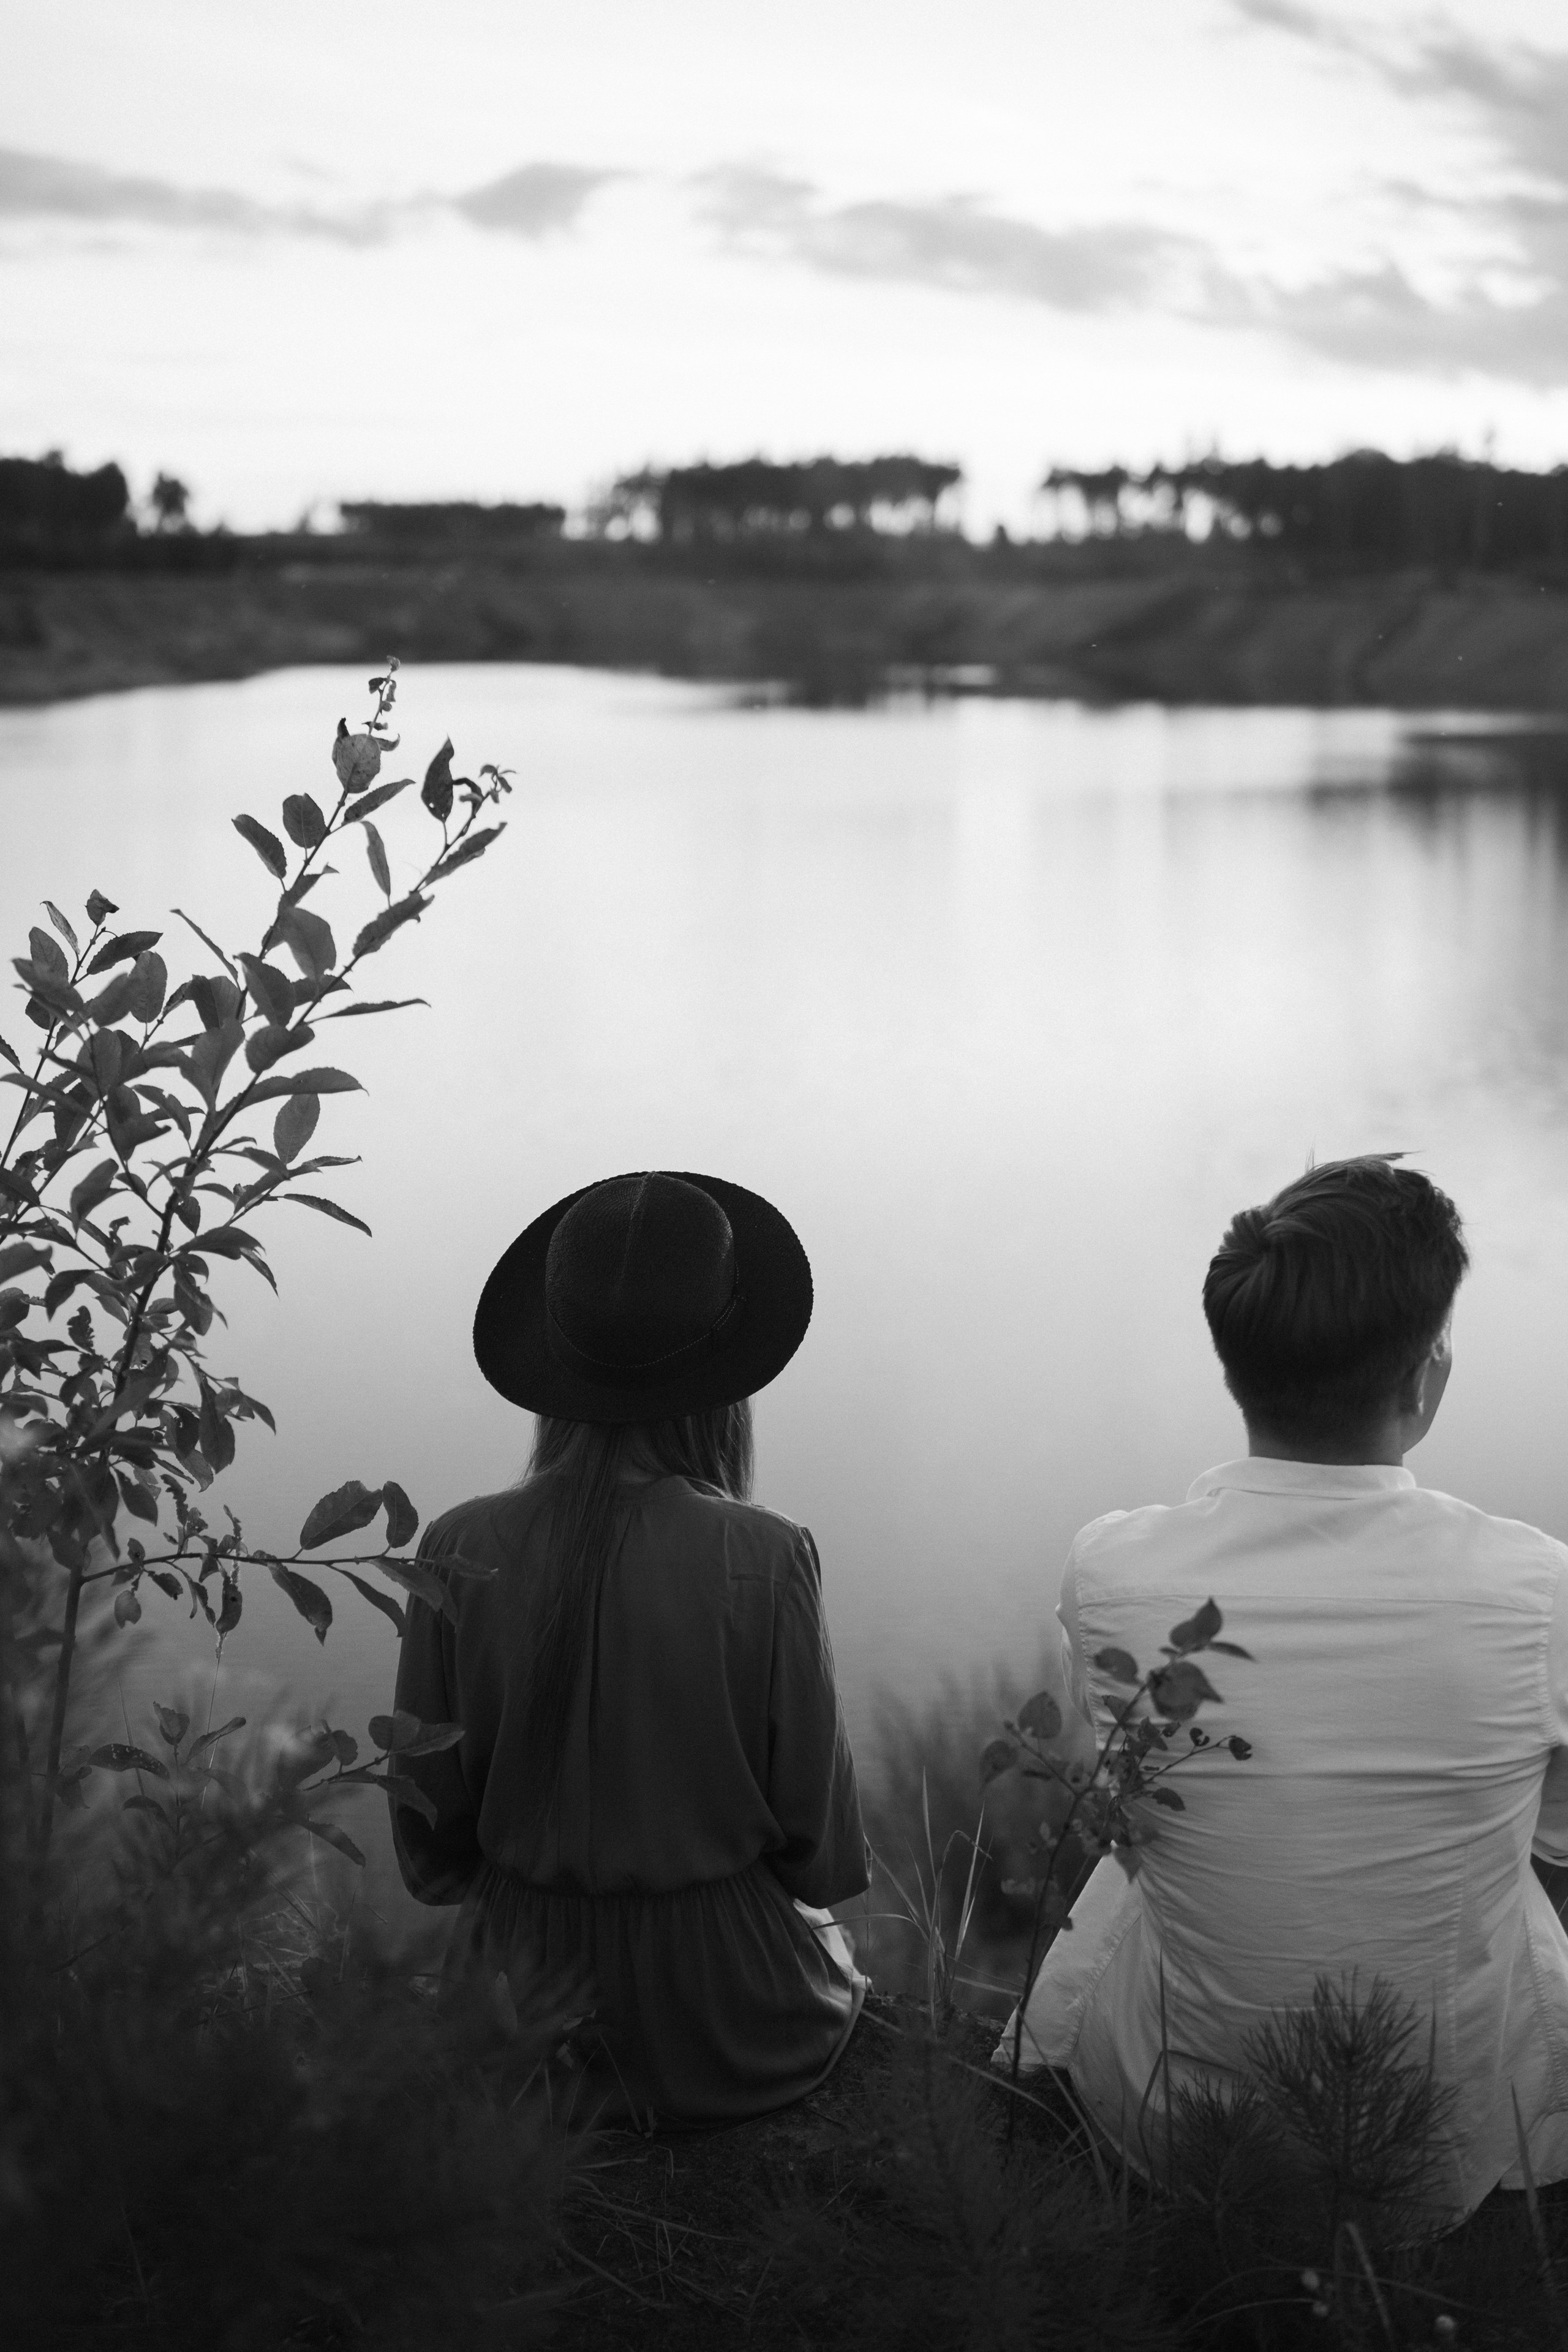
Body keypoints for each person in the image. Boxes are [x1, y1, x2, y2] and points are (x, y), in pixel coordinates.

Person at [995, 1154, 1568, 2223]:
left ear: (1235, 1369)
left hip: (1182, 2126)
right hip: (1437, 2143)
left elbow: (1118, 1795)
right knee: (1511, 1869)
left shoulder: (1114, 1567)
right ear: (1423, 1373)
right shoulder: (1535, 1586)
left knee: (1157, 1837)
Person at [387, 1169, 868, 2127]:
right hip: (733, 2022)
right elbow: (821, 1856)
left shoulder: (455, 1546)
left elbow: (433, 1853)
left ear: (556, 1361)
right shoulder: (765, 1556)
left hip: (514, 2011)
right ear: (725, 1381)